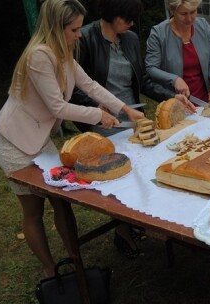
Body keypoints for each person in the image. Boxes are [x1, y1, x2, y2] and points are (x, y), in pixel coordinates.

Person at [0, 0, 145, 277]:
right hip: (15, 143)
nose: (79, 34)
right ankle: (52, 271)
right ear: (56, 27)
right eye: (74, 29)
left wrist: (124, 109)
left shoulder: (62, 52)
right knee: (33, 211)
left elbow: (90, 85)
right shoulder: (39, 55)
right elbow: (57, 107)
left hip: (39, 140)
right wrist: (98, 116)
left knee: (61, 201)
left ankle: (75, 261)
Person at [71, 0, 172, 259]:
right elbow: (75, 91)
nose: (131, 24)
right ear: (112, 15)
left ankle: (145, 219)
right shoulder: (85, 39)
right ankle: (123, 230)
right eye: (127, 19)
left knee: (148, 168)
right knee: (121, 177)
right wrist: (98, 111)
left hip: (132, 119)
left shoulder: (128, 39)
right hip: (102, 123)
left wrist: (169, 97)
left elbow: (144, 81)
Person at [145, 0, 210, 104]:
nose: (189, 18)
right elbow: (151, 68)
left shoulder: (203, 26)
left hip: (204, 100)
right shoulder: (158, 34)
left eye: (193, 12)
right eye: (183, 14)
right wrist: (174, 79)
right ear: (172, 11)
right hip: (176, 102)